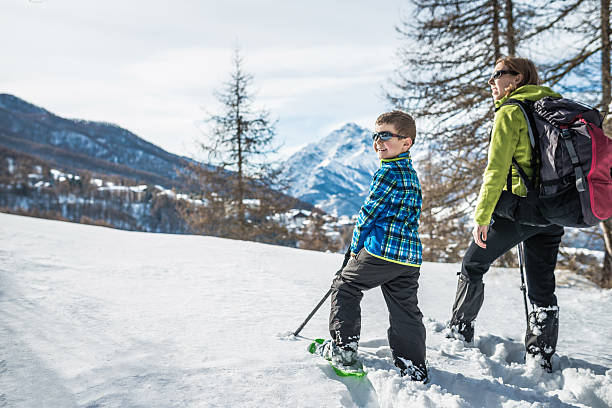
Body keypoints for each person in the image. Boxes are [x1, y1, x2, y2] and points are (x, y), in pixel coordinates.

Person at [447, 56, 565, 372]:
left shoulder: (512, 111)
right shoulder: (551, 107)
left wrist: (482, 216)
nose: (492, 81)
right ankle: (541, 358)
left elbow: (496, 170)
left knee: (472, 263)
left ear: (517, 78)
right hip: (555, 211)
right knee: (542, 286)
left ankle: (459, 333)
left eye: (498, 74)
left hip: (522, 211)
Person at [315, 110, 427, 382]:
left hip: (382, 251)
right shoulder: (410, 173)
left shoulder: (388, 172)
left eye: (386, 135)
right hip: (409, 258)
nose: (378, 141)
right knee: (404, 309)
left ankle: (344, 350)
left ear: (406, 142)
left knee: (345, 286)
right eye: (375, 135)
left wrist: (355, 248)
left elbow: (368, 213)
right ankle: (412, 364)